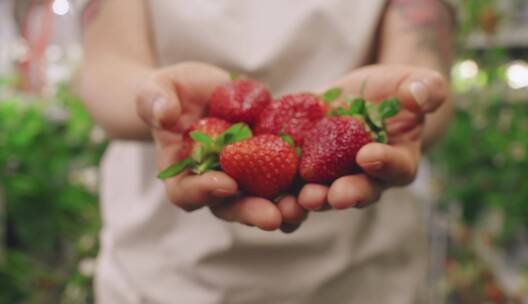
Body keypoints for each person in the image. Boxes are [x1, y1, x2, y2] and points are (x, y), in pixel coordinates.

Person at [81, 0, 454, 303]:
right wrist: (159, 101)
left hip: (363, 273)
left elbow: (420, 56)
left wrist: (409, 102)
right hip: (164, 272)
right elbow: (106, 65)